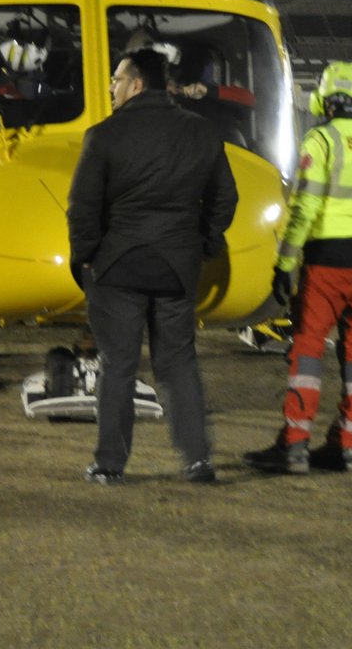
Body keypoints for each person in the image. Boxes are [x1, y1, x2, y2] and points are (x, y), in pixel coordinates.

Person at [66, 48, 238, 485]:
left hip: (118, 265)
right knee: (178, 364)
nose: (111, 87)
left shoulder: (103, 135)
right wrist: (202, 243)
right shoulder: (201, 131)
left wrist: (85, 258)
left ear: (137, 84)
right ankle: (197, 460)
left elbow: (82, 208)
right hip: (177, 267)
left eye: (117, 80)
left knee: (118, 366)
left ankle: (110, 464)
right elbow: (225, 199)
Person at [243, 60, 352, 474]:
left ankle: (295, 443)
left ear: (323, 100)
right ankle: (348, 443)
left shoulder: (321, 141)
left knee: (308, 351)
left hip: (326, 265)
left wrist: (285, 262)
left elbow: (305, 209)